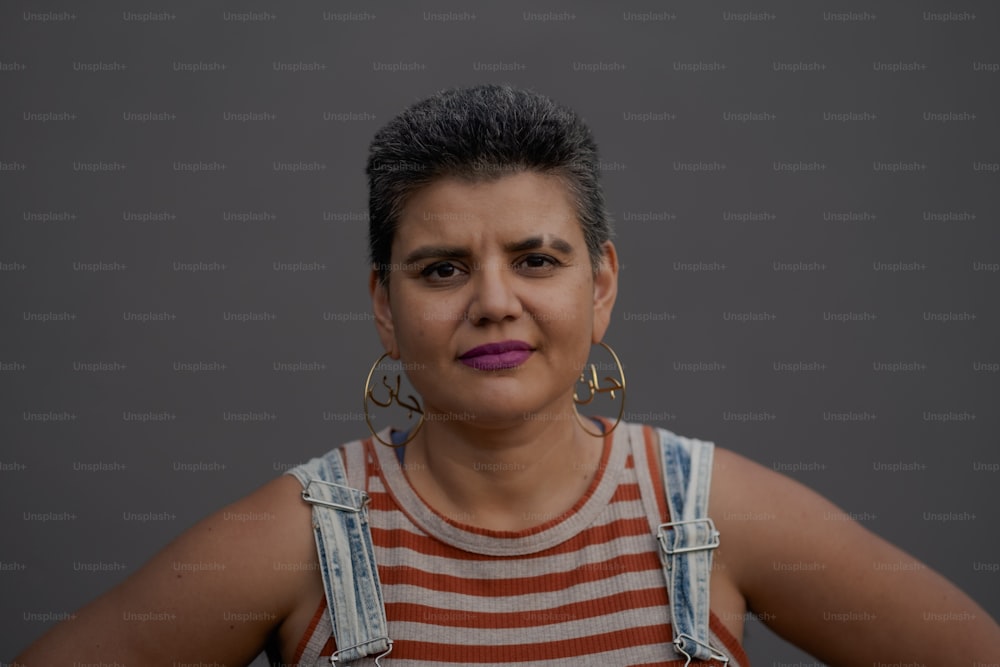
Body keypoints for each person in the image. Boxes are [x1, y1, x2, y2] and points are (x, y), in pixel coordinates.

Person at [13, 84, 1000, 666]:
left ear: (601, 283)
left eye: (536, 259)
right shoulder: (303, 535)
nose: (493, 302)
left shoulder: (704, 512)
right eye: (441, 269)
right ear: (382, 304)